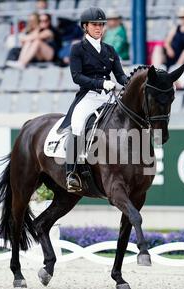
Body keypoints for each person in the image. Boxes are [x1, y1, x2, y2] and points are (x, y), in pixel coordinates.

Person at [57, 7, 128, 192]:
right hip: (88, 96)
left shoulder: (110, 50)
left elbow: (120, 76)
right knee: (78, 123)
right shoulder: (77, 49)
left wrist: (131, 82)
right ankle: (71, 173)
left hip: (109, 97)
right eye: (95, 24)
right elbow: (77, 77)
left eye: (101, 24)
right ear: (85, 27)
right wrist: (100, 83)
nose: (98, 28)